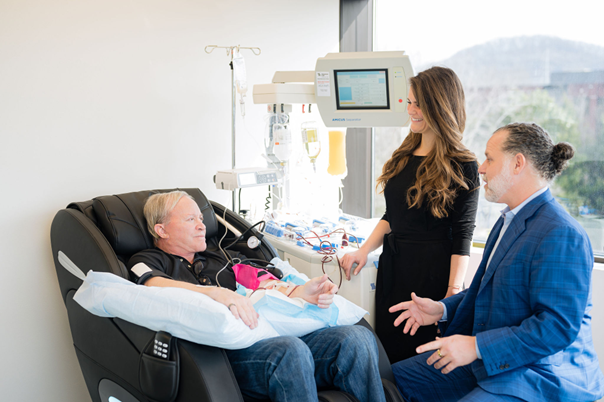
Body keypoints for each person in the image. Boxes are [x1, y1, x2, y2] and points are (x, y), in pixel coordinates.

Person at [390, 122, 604, 402]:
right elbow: (485, 292)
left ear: (517, 163)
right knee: (388, 381)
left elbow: (555, 327)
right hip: (493, 362)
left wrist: (477, 346)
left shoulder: (561, 233)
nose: (481, 168)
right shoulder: (508, 220)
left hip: (541, 376)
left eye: (490, 158)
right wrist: (441, 309)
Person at [127, 190, 386, 402]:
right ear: (161, 230)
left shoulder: (221, 256)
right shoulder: (149, 260)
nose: (202, 225)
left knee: (356, 338)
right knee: (289, 350)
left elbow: (266, 280)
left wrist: (301, 292)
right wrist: (217, 294)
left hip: (266, 338)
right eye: (189, 220)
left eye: (200, 218)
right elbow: (151, 284)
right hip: (221, 359)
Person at [341, 66, 480, 364]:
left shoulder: (463, 164)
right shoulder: (404, 155)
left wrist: (450, 297)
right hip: (394, 271)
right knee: (390, 359)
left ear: (439, 106)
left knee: (424, 361)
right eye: (409, 102)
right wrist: (363, 251)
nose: (411, 110)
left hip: (433, 277)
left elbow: (463, 236)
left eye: (418, 104)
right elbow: (393, 216)